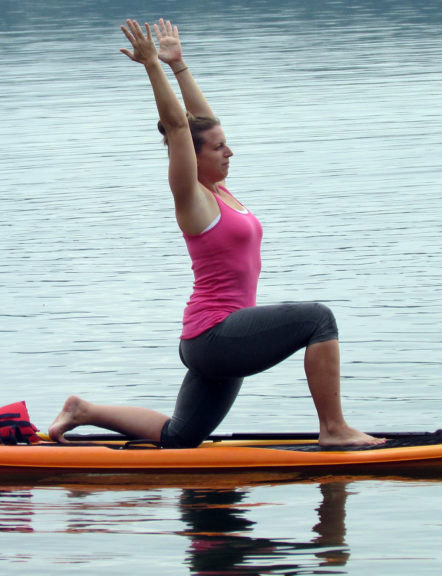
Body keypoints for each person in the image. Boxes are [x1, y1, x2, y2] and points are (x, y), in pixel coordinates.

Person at [49, 19, 383, 448]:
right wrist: (152, 66)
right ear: (194, 155)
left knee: (180, 436)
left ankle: (83, 411)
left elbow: (201, 121)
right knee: (319, 319)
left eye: (228, 143)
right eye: (219, 147)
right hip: (215, 336)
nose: (230, 151)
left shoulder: (220, 190)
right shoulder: (193, 198)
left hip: (216, 340)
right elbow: (178, 127)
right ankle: (334, 429)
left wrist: (179, 66)